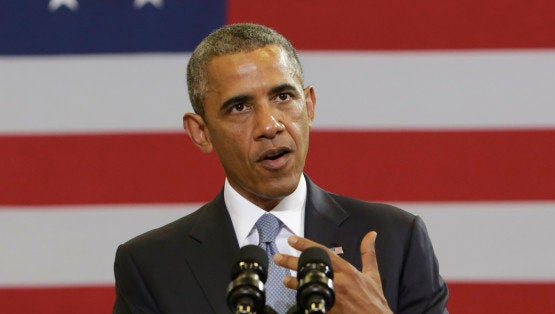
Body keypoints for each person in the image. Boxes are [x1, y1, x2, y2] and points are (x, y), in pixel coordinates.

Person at [113, 23, 448, 314]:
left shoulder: (397, 239)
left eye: (283, 97)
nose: (269, 125)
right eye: (239, 106)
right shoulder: (152, 265)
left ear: (310, 106)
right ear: (201, 133)